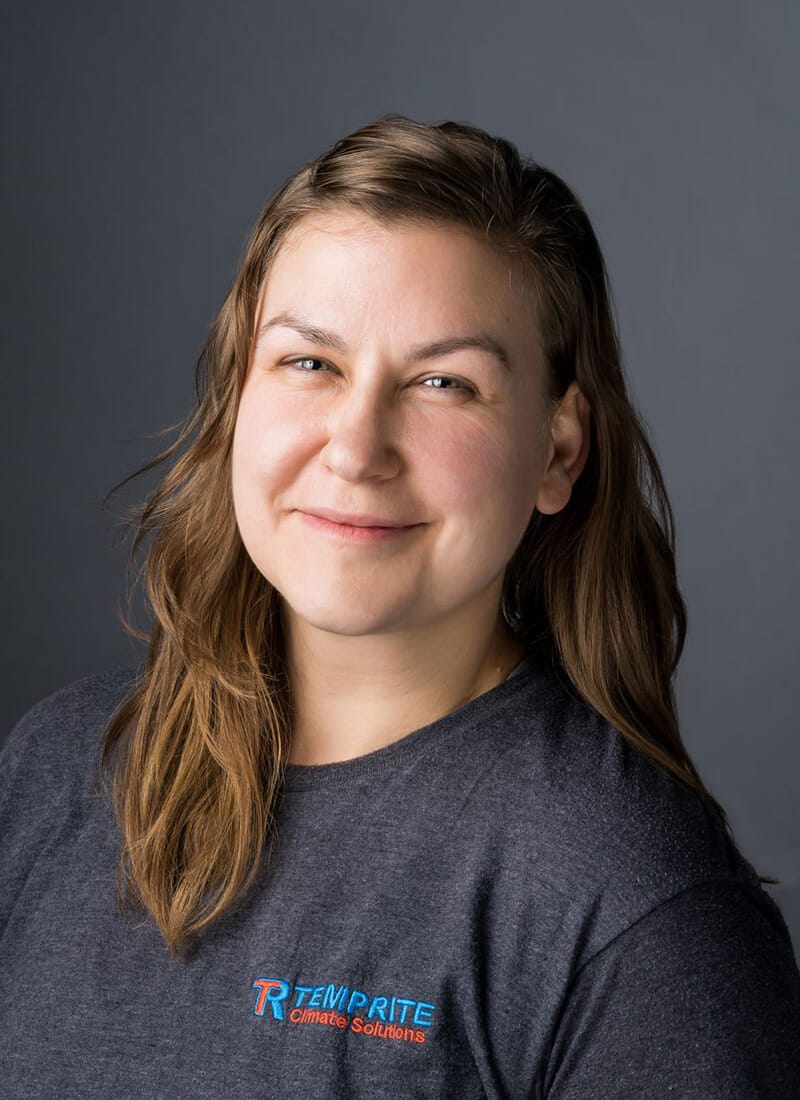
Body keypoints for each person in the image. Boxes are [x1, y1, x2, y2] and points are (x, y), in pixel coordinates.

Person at [2, 115, 799, 1098]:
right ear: (236, 396)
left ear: (556, 451)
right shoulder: (50, 775)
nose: (354, 446)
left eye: (441, 383)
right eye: (309, 363)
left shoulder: (630, 901)